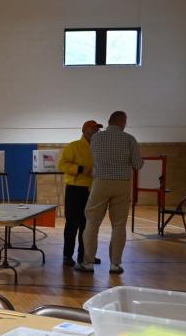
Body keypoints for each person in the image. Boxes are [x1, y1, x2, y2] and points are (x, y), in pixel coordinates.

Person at [76, 111, 143, 274]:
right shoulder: (129, 139)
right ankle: (115, 265)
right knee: (119, 225)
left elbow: (94, 157)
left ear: (109, 122)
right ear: (123, 122)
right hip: (122, 184)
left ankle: (88, 262)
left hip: (100, 182)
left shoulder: (97, 138)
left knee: (92, 223)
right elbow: (138, 164)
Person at [57, 120, 103, 267]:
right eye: (94, 128)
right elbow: (62, 164)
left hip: (93, 190)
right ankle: (67, 256)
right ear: (85, 130)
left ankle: (85, 255)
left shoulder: (99, 147)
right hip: (75, 189)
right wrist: (80, 169)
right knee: (72, 224)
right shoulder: (74, 146)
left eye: (98, 129)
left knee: (87, 225)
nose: (97, 131)